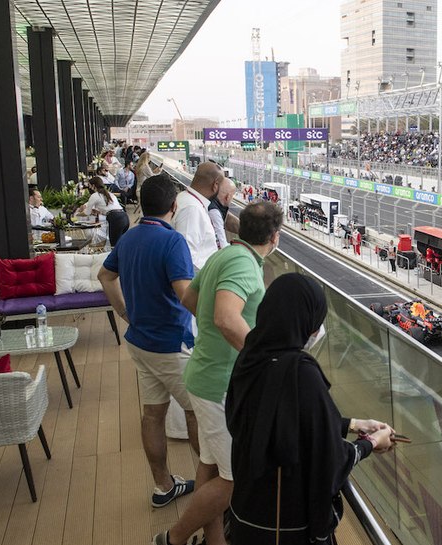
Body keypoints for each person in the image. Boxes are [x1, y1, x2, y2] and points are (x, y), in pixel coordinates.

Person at [223, 273, 396, 545]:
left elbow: (280, 416)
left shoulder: (251, 356)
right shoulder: (300, 374)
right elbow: (329, 460)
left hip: (245, 512)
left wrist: (351, 424)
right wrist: (371, 443)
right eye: (316, 322)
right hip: (287, 526)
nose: (316, 330)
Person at [156, 202, 283, 545]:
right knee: (235, 480)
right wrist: (265, 359)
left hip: (206, 374)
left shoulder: (223, 256)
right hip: (219, 385)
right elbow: (227, 318)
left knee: (211, 466)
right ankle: (173, 538)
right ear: (275, 237)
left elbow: (191, 300)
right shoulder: (243, 264)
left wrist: (214, 331)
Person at [97, 174, 199, 508]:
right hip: (172, 344)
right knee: (198, 413)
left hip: (140, 342)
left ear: (142, 203)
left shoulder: (128, 237)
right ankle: (212, 487)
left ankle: (163, 485)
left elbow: (105, 275)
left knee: (153, 415)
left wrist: (124, 312)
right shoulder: (173, 242)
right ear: (173, 206)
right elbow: (186, 295)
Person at [174, 162, 225, 271]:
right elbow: (186, 257)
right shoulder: (192, 209)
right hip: (200, 281)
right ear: (215, 185)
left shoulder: (187, 199)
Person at [79, 177, 128, 247]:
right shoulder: (109, 194)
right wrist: (100, 212)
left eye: (89, 186)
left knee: (114, 246)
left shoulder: (95, 195)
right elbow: (111, 208)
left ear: (93, 186)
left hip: (115, 219)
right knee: (121, 244)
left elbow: (87, 213)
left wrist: (77, 214)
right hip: (124, 217)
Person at [208, 178, 235, 251]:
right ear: (228, 196)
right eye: (232, 196)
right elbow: (222, 245)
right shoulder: (214, 212)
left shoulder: (210, 202)